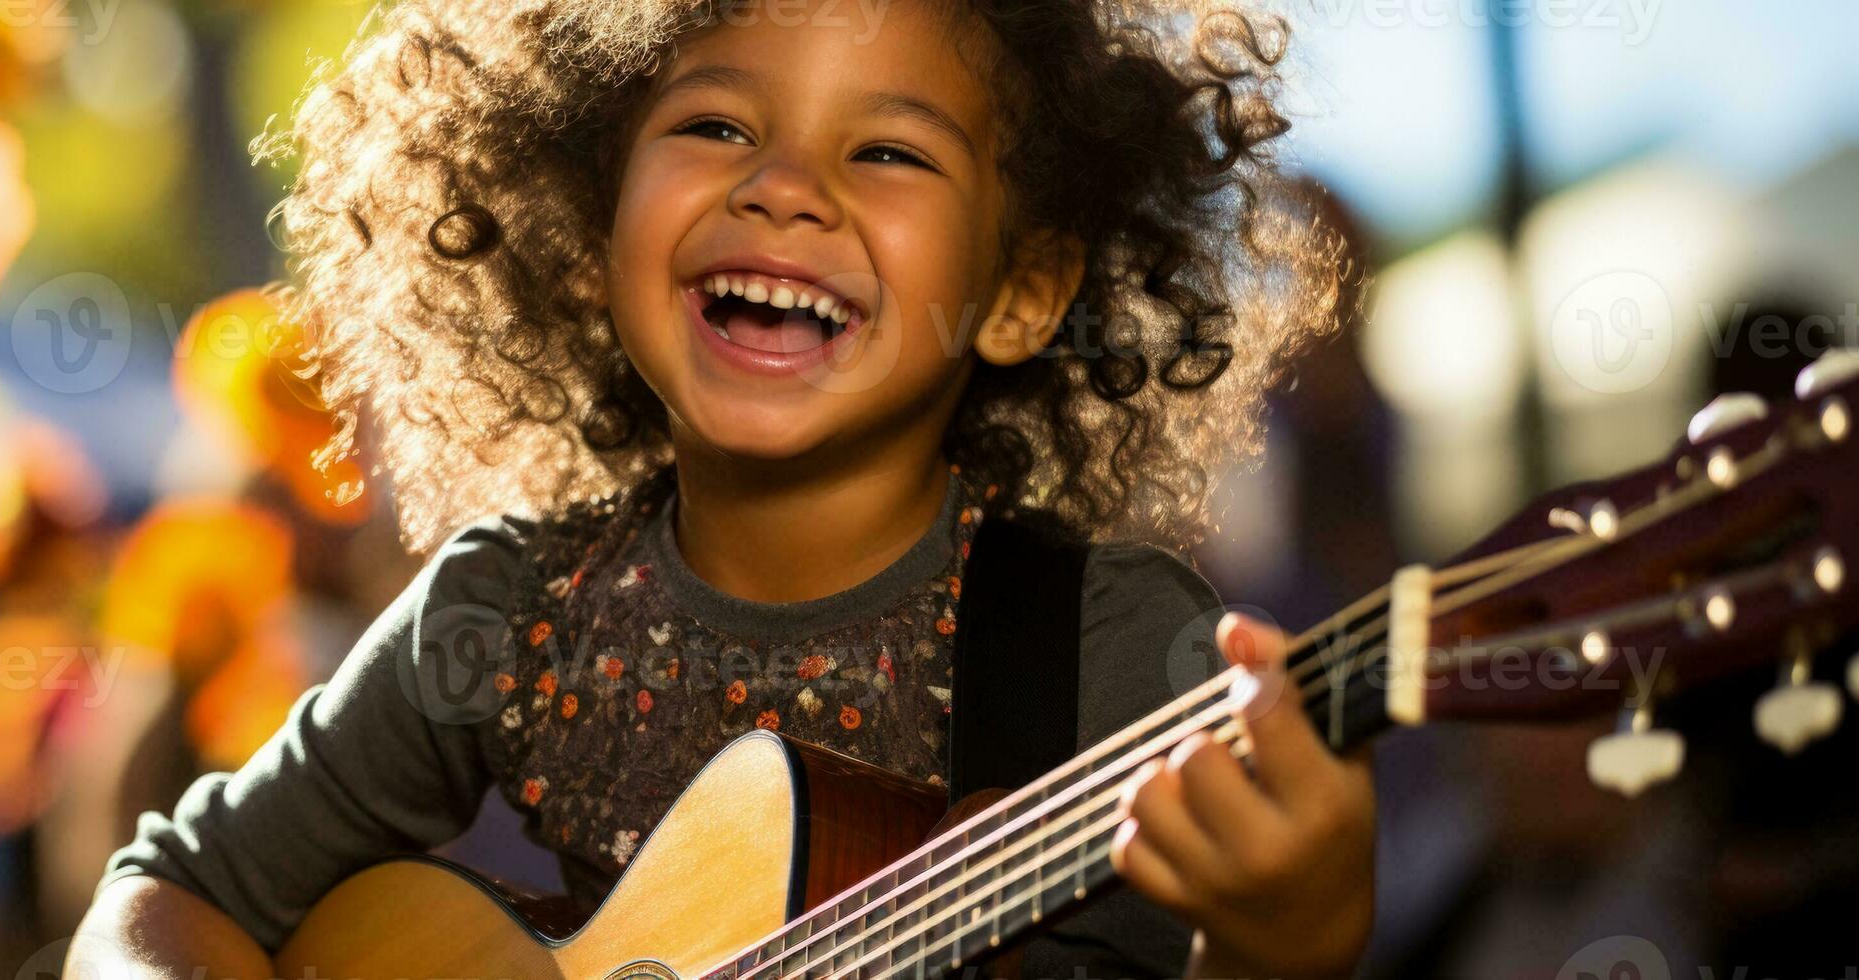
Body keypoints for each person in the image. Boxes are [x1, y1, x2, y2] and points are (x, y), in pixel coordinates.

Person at [74, 0, 1368, 975]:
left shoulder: (1114, 654)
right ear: (592, 231)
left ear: (1023, 292)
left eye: (891, 153)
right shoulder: (514, 609)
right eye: (715, 126)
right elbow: (165, 893)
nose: (784, 187)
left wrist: (1286, 946)